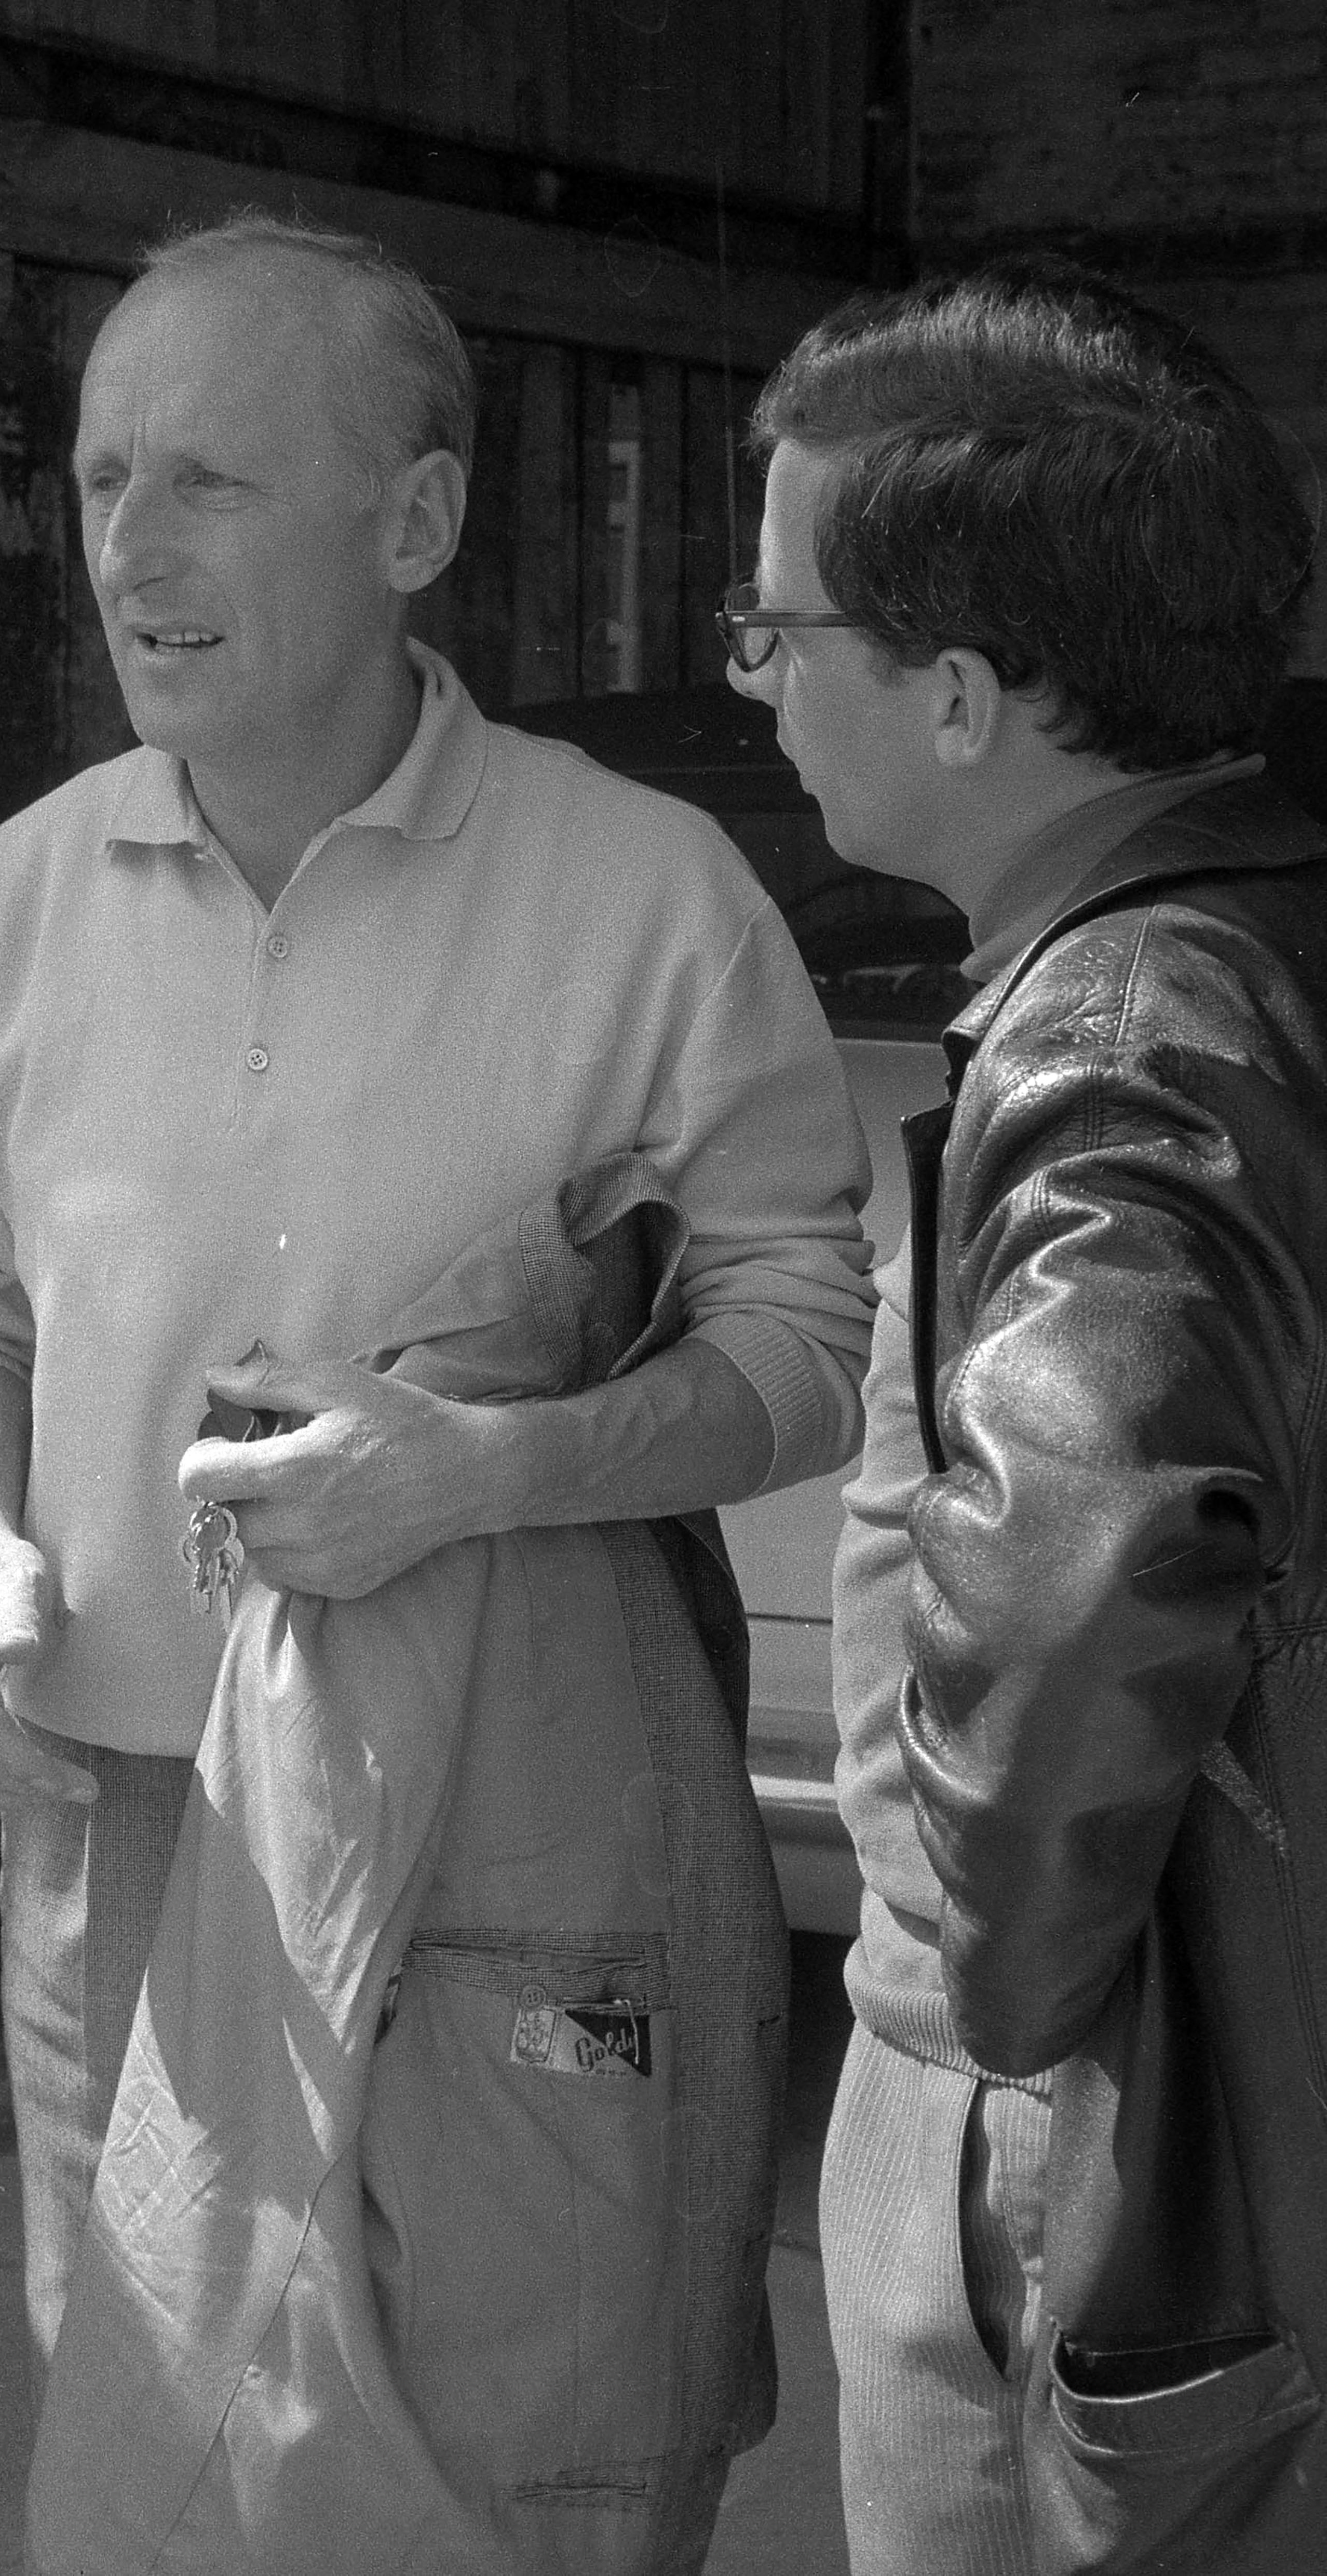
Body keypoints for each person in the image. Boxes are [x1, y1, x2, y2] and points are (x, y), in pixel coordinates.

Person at [0, 211, 876, 2561]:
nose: (127, 545)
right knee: (153, 2463)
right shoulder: (4, 908)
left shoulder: (646, 895)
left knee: (526, 2469)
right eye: (103, 476)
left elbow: (805, 1345)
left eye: (208, 477)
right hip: (115, 1816)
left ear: (415, 520)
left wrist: (487, 1468)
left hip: (514, 1830)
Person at [721, 254, 1325, 2574]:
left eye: (776, 628)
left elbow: (1090, 1567)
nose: (753, 676)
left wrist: (992, 2006)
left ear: (960, 694)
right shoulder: (1259, 923)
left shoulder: (1122, 1036)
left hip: (1077, 2102)